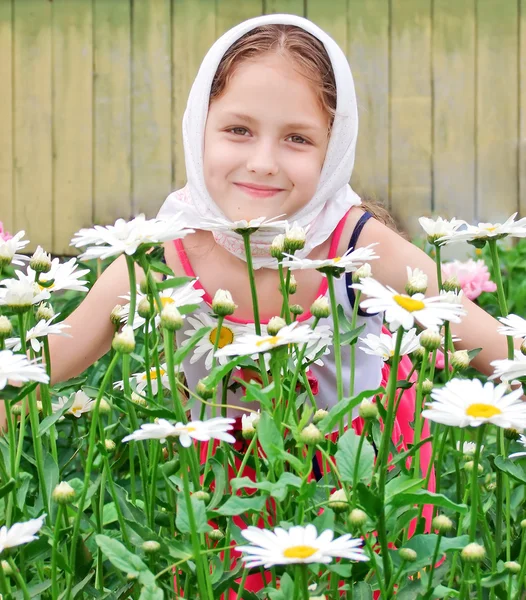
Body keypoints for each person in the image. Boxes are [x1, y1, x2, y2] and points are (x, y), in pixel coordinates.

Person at [44, 14, 509, 408]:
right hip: (215, 499)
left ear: (334, 150)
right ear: (197, 129)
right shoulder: (161, 255)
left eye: (298, 138)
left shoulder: (355, 245)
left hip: (358, 492)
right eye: (238, 130)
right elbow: (35, 375)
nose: (263, 163)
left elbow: (503, 350)